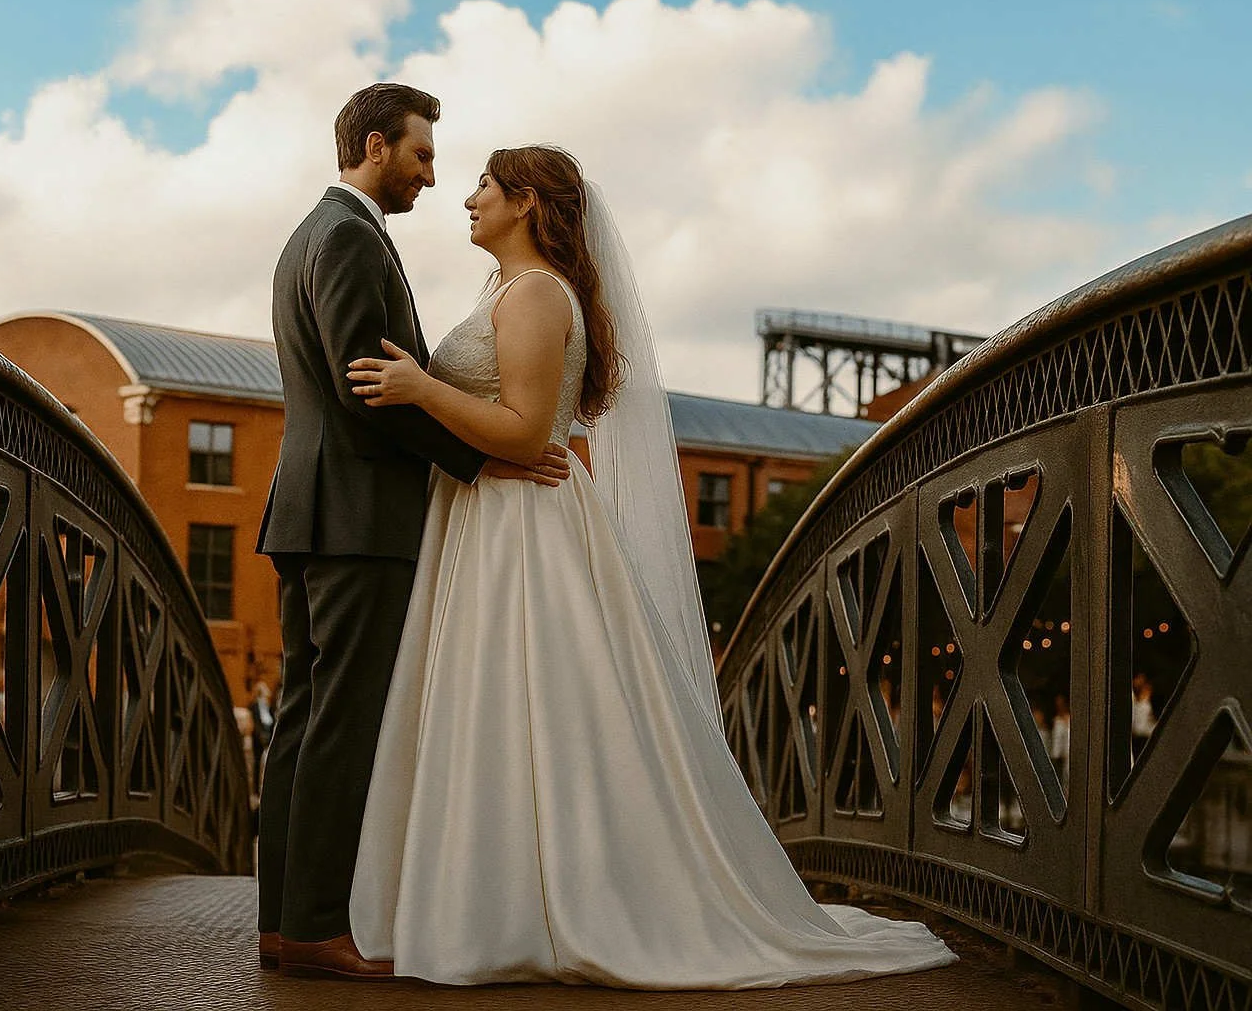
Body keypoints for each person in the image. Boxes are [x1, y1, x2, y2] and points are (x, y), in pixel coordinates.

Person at [344, 144, 955, 988]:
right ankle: (500, 896)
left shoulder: (535, 296)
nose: (467, 198)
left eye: (485, 184)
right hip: (496, 516)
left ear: (526, 202)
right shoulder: (512, 291)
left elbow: (526, 432)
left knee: (524, 702)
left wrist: (419, 390)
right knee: (515, 707)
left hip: (521, 526)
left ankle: (523, 907)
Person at [252, 83, 571, 980]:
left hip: (311, 512)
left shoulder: (312, 234)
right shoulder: (351, 238)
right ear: (373, 145)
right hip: (359, 518)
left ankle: (283, 922)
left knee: (305, 720)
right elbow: (371, 388)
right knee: (342, 722)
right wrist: (484, 461)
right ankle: (315, 925)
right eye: (423, 155)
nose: (433, 177)